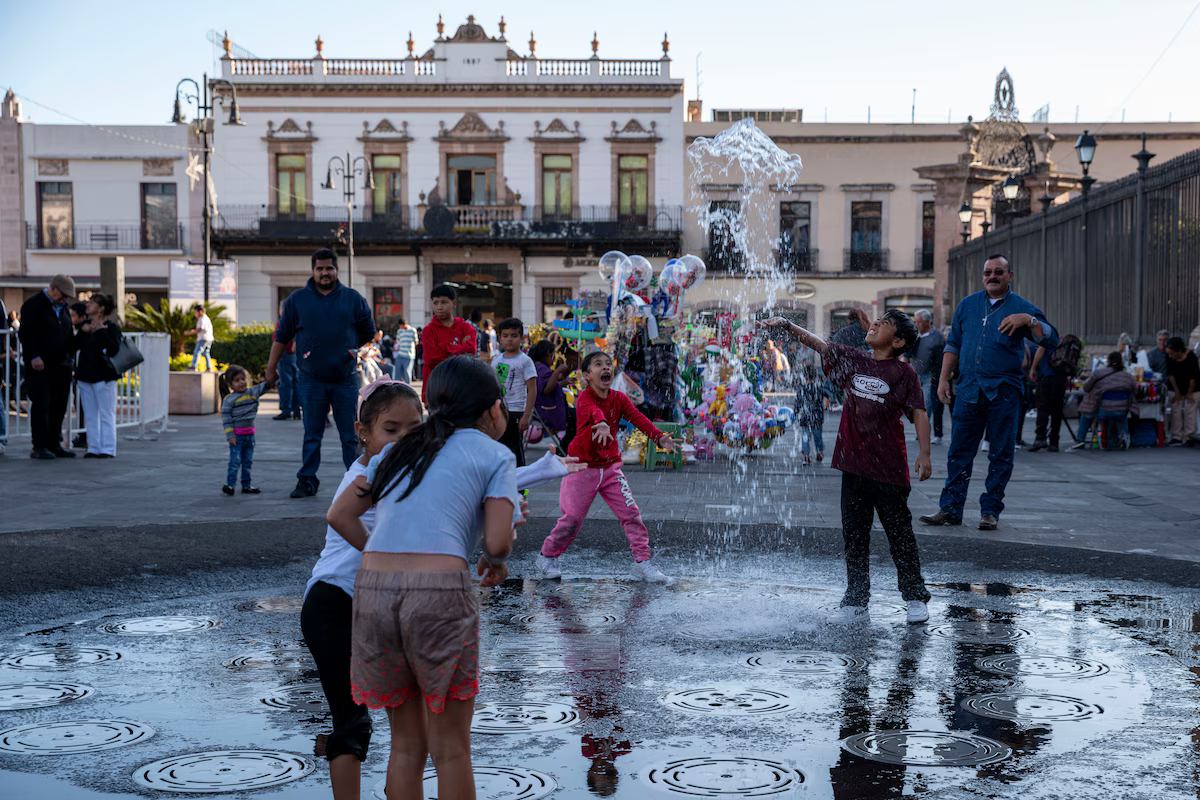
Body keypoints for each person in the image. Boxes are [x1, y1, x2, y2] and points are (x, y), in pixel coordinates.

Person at [325, 356, 520, 799]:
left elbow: (339, 513)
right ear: (494, 410)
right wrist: (499, 547)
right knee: (451, 747)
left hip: (373, 592)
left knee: (406, 744)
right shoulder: (496, 454)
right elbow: (497, 544)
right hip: (438, 596)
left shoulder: (397, 450)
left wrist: (383, 555)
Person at [762, 310, 933, 625]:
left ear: (898, 341)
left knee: (900, 535)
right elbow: (820, 344)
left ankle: (915, 597)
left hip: (890, 469)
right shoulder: (855, 359)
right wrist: (787, 325)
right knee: (855, 536)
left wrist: (925, 453)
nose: (876, 323)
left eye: (886, 324)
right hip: (853, 466)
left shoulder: (903, 373)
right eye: (877, 319)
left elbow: (919, 413)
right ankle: (856, 601)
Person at [303, 379, 425, 800]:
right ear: (363, 431)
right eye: (391, 430)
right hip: (333, 605)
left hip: (377, 608)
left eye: (414, 429)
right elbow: (338, 518)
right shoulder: (366, 475)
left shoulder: (401, 474)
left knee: (409, 722)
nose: (403, 439)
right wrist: (384, 556)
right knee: (352, 720)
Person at [920, 255, 1057, 532]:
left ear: (1010, 275)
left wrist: (1028, 320)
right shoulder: (967, 305)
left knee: (1001, 454)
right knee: (958, 452)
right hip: (968, 389)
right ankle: (950, 509)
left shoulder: (1022, 307)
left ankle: (990, 511)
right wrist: (943, 379)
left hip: (1004, 393)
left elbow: (1051, 338)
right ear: (983, 276)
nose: (992, 276)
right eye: (988, 272)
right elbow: (954, 345)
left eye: (998, 272)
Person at [533, 351, 679, 585]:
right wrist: (601, 424)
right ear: (587, 376)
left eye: (608, 365)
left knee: (631, 514)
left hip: (610, 469)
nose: (606, 368)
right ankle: (547, 557)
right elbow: (594, 411)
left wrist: (659, 438)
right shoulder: (584, 398)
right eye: (598, 365)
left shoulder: (619, 399)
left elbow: (637, 418)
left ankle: (642, 563)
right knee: (572, 519)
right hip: (580, 467)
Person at [266, 248, 376, 499]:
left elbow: (368, 331)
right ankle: (307, 480)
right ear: (313, 270)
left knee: (351, 435)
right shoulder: (297, 301)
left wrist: (347, 349)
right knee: (312, 434)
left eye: (329, 268)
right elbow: (281, 337)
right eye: (319, 268)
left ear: (336, 270)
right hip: (310, 379)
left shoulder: (353, 298)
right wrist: (270, 368)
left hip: (345, 378)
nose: (324, 273)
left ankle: (357, 478)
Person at [19, 274, 77, 460]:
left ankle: (54, 443)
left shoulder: (64, 308)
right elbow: (26, 333)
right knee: (42, 405)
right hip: (41, 365)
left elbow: (67, 332)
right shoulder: (34, 305)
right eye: (63, 294)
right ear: (53, 287)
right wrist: (34, 356)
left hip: (62, 364)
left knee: (59, 406)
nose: (65, 298)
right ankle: (40, 445)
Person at [74, 293, 121, 459]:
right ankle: (93, 447)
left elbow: (114, 349)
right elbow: (74, 346)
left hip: (105, 376)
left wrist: (101, 331)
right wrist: (83, 332)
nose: (88, 305)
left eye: (92, 303)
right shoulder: (85, 325)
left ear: (101, 309)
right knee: (90, 413)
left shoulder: (111, 327)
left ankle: (108, 448)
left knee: (106, 413)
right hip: (85, 375)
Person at [491, 317, 537, 467]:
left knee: (515, 449)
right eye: (505, 336)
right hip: (499, 410)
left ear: (522, 338)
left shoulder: (525, 361)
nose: (509, 339)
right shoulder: (496, 360)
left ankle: (521, 487)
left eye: (514, 335)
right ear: (500, 338)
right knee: (498, 447)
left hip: (517, 411)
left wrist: (526, 415)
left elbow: (532, 390)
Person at [420, 285, 476, 400]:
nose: (439, 307)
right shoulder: (428, 331)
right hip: (436, 389)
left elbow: (471, 351)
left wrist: (442, 348)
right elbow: (431, 358)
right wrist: (459, 348)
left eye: (444, 302)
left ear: (454, 304)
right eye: (435, 303)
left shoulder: (466, 328)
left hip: (461, 389)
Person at [1071, 351, 1136, 450]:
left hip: (1103, 410)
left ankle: (1081, 440)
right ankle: (1122, 437)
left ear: (1108, 361)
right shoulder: (1128, 376)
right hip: (1122, 410)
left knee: (1085, 415)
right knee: (1120, 417)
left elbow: (1086, 388)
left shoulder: (1098, 373)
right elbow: (1134, 391)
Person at [221, 365, 270, 495]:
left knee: (247, 461)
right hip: (237, 437)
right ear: (230, 384)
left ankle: (246, 485)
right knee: (235, 461)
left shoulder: (252, 393)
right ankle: (230, 485)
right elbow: (226, 419)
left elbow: (267, 385)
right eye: (237, 380)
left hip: (250, 436)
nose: (242, 382)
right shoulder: (229, 400)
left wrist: (274, 375)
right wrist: (230, 435)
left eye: (243, 379)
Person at [1026, 334, 1079, 452]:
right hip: (1061, 379)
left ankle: (1040, 438)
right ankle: (1054, 442)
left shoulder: (1048, 339)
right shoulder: (1064, 342)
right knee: (1057, 411)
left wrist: (1033, 368)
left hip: (1047, 377)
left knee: (1043, 408)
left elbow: (1041, 350)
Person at [530, 339, 576, 456]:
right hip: (547, 411)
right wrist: (557, 371)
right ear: (547, 355)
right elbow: (546, 389)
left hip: (545, 409)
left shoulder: (538, 367)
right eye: (552, 356)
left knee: (575, 416)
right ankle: (563, 448)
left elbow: (549, 386)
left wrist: (564, 382)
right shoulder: (542, 369)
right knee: (578, 417)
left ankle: (563, 447)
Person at [910, 309, 945, 444]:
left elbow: (941, 356)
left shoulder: (937, 336)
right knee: (916, 405)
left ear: (926, 322)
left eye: (918, 322)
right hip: (915, 375)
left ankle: (924, 432)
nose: (916, 324)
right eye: (915, 322)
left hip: (929, 376)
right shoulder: (915, 334)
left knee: (926, 406)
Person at [793, 363, 834, 465]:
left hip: (805, 418)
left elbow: (797, 403)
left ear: (804, 376)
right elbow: (829, 393)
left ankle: (805, 456)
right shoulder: (818, 388)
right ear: (815, 376)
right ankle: (819, 452)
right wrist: (829, 403)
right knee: (818, 437)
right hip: (817, 418)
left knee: (805, 437)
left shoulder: (802, 390)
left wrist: (796, 413)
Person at [1165, 336, 1199, 445]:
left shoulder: (1191, 357)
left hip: (1192, 387)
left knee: (1190, 410)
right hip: (1176, 386)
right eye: (1169, 353)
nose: (1170, 356)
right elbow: (1171, 375)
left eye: (1172, 353)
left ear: (1179, 351)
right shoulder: (1170, 357)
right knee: (1176, 409)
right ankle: (1177, 436)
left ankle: (1190, 436)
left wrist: (1189, 393)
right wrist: (1177, 392)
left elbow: (1194, 377)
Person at [273, 301, 302, 421]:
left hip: (285, 354)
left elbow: (279, 340)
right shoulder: (297, 321)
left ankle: (286, 410)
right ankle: (296, 410)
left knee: (286, 383)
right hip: (294, 356)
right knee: (295, 383)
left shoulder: (284, 322)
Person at [184, 304, 214, 372]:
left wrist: (190, 332)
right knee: (206, 353)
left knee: (197, 352)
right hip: (209, 338)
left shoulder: (202, 319)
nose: (195, 314)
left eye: (195, 312)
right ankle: (208, 367)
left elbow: (200, 329)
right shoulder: (206, 318)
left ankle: (194, 366)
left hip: (203, 338)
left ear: (200, 312)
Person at [392, 317, 417, 384]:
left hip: (409, 355)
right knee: (397, 371)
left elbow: (416, 341)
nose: (400, 327)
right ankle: (397, 387)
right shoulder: (399, 331)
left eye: (401, 325)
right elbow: (398, 341)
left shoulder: (413, 330)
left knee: (407, 372)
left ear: (405, 324)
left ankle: (408, 389)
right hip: (400, 354)